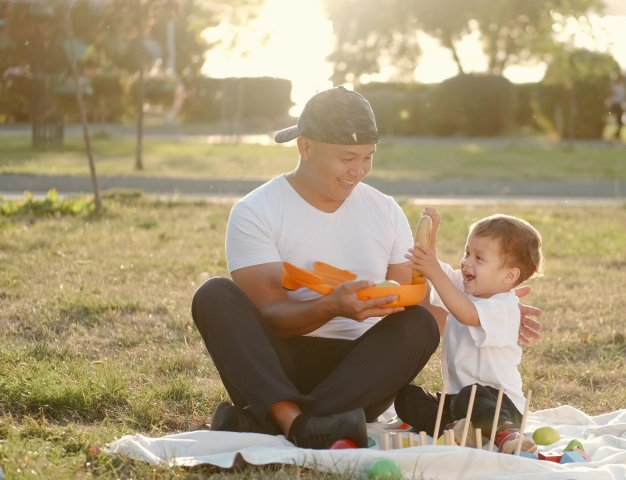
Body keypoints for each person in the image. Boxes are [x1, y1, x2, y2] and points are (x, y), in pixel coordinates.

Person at [191, 86, 544, 449]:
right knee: (213, 294)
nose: (358, 170)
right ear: (306, 147)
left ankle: (268, 421)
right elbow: (271, 314)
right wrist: (331, 306)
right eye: (347, 158)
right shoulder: (256, 211)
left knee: (418, 323)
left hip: (359, 375)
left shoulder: (385, 210)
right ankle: (295, 421)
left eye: (368, 157)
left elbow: (416, 304)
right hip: (275, 367)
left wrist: (491, 308)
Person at [395, 207, 544, 454]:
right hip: (459, 402)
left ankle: (506, 434)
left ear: (509, 275)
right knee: (407, 396)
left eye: (479, 258)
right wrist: (431, 237)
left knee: (472, 394)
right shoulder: (466, 289)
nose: (466, 262)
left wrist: (433, 270)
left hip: (500, 405)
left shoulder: (504, 308)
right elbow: (439, 274)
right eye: (467, 253)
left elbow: (466, 314)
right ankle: (452, 429)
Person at [610, 73, 626, 140]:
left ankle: (617, 135)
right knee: (618, 121)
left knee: (620, 121)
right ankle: (616, 135)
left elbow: (624, 97)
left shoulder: (622, 87)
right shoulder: (615, 87)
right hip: (615, 105)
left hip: (620, 105)